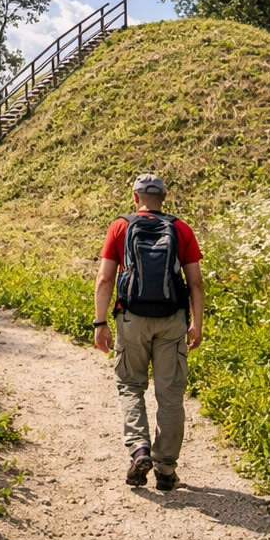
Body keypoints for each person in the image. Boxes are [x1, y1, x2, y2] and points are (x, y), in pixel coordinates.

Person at [92, 173, 204, 491]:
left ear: (135, 196)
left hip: (131, 319)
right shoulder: (181, 229)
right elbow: (195, 283)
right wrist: (197, 324)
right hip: (172, 321)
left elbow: (104, 279)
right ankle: (166, 470)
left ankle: (139, 450)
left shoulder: (120, 226)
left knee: (130, 385)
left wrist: (100, 323)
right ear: (164, 198)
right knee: (170, 396)